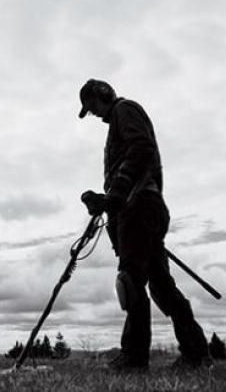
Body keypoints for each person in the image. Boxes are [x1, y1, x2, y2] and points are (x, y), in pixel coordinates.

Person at [78, 79, 212, 371]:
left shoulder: (124, 110)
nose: (95, 115)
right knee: (162, 287)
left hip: (139, 208)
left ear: (103, 95)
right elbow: (131, 166)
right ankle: (197, 353)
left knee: (130, 280)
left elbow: (141, 149)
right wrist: (107, 199)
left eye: (93, 107)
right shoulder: (118, 119)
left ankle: (134, 358)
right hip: (142, 206)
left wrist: (116, 193)